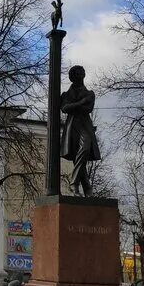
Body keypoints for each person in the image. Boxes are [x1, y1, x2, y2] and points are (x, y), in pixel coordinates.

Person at [60, 65, 101, 196]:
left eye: (81, 73)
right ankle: (87, 188)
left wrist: (75, 105)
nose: (80, 76)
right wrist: (81, 102)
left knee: (85, 148)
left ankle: (74, 183)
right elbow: (65, 108)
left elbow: (88, 109)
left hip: (84, 125)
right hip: (72, 126)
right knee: (79, 156)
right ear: (72, 78)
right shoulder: (66, 94)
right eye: (77, 74)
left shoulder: (90, 94)